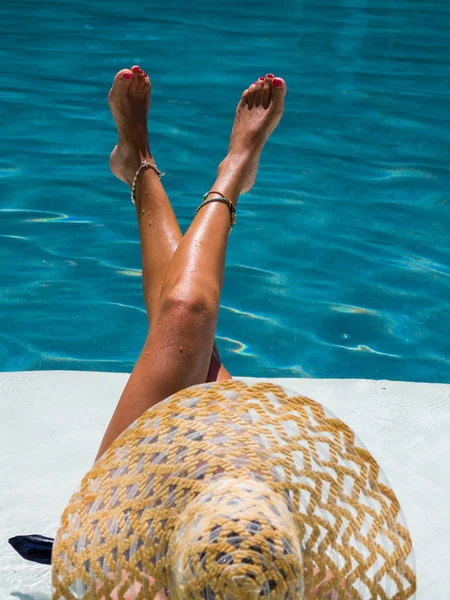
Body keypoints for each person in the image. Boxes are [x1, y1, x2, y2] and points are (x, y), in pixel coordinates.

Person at [95, 66, 286, 463]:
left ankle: (159, 166)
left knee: (185, 312)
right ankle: (226, 169)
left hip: (128, 517)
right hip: (236, 500)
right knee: (200, 359)